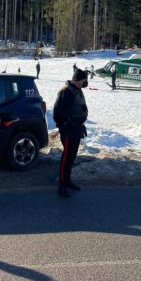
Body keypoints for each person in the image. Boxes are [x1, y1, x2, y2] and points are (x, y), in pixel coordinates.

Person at [53, 69, 89, 198]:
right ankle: (62, 184)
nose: (85, 83)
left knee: (72, 156)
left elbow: (77, 109)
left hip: (77, 128)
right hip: (69, 130)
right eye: (84, 80)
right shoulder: (66, 92)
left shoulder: (77, 90)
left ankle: (67, 180)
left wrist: (81, 124)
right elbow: (57, 112)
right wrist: (65, 125)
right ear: (78, 80)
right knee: (67, 157)